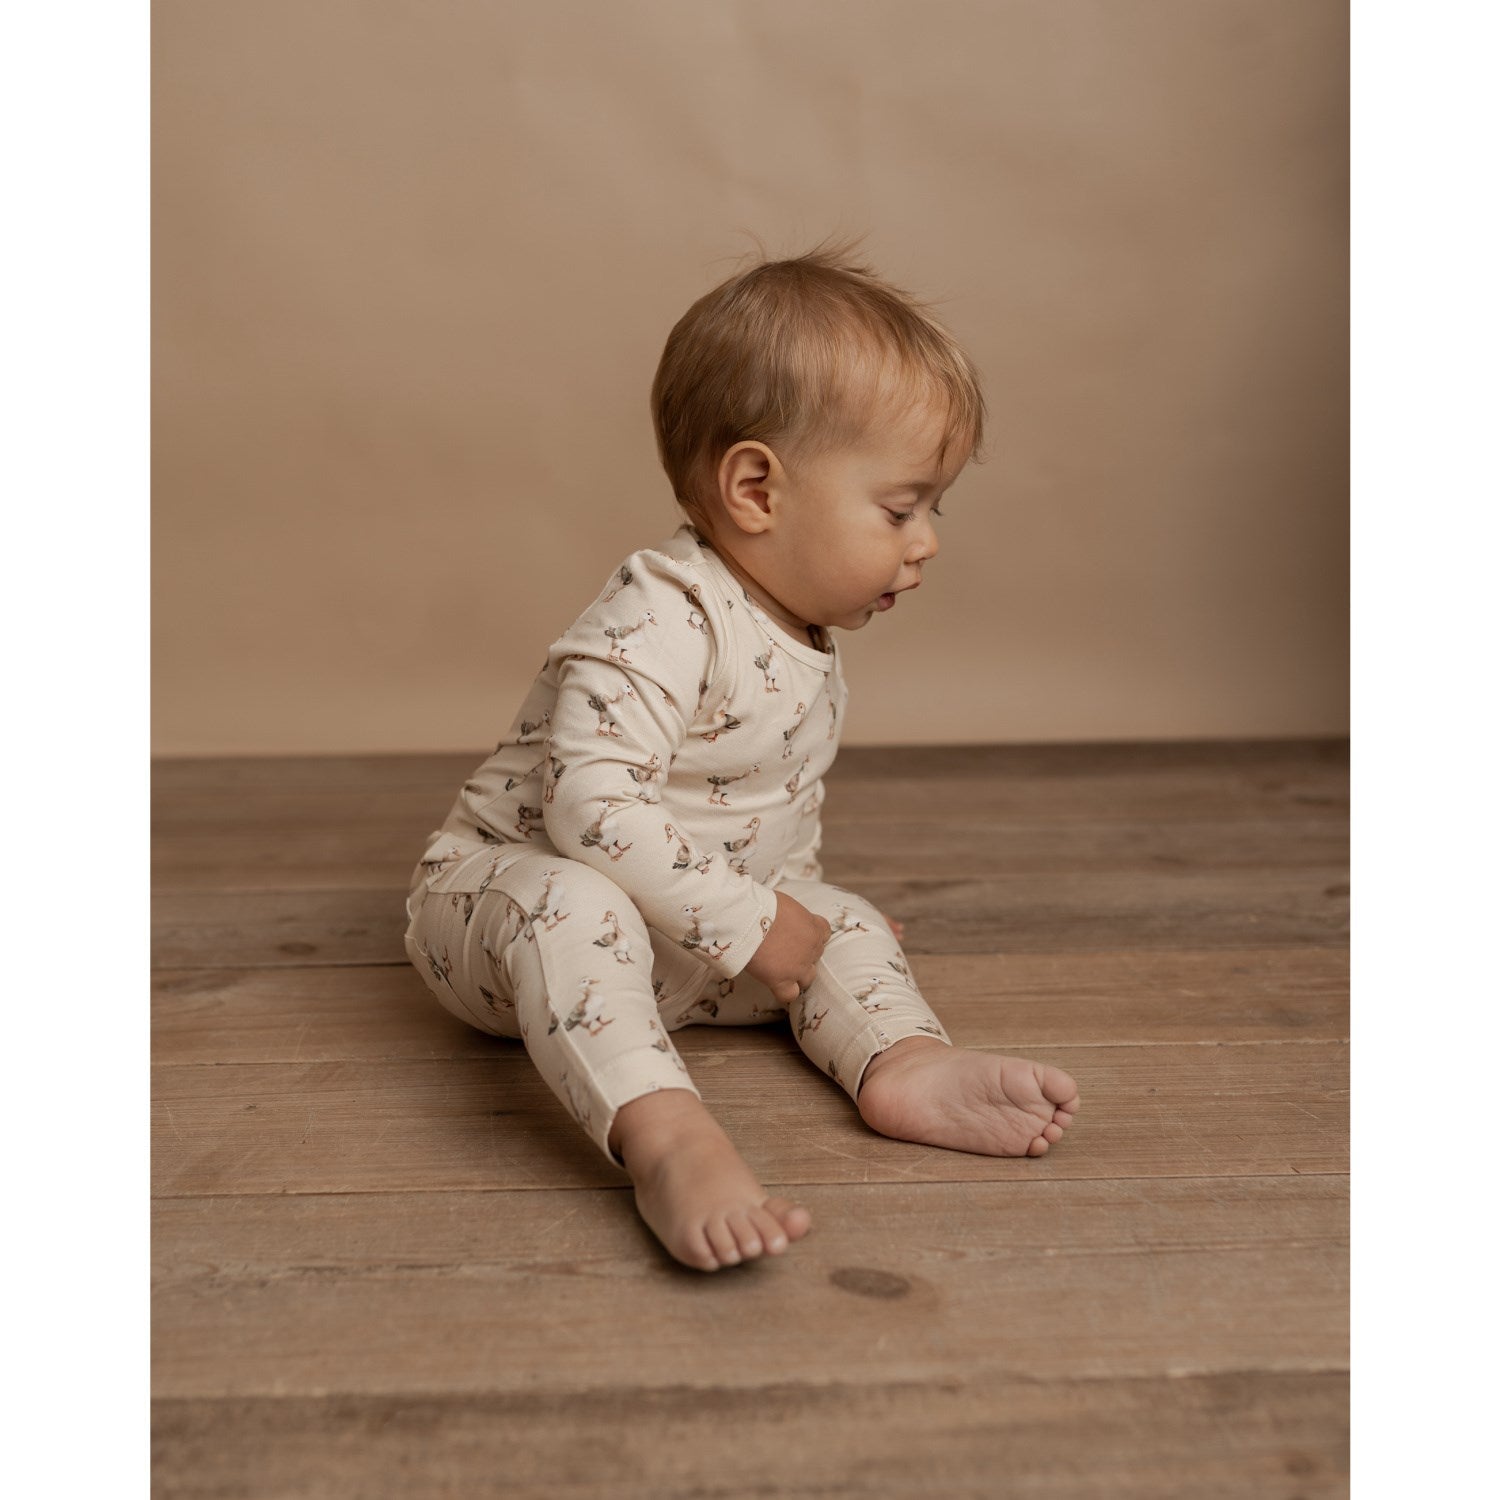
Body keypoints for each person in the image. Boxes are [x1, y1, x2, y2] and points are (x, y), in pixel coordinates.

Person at [404, 242, 1080, 1272]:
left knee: (842, 920)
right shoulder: (660, 614)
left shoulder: (803, 633)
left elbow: (764, 809)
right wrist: (753, 920)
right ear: (757, 489)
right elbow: (590, 811)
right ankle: (667, 1137)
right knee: (572, 905)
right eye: (901, 509)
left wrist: (787, 906)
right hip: (504, 918)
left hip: (684, 940)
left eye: (933, 511)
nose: (927, 541)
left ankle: (902, 1064)